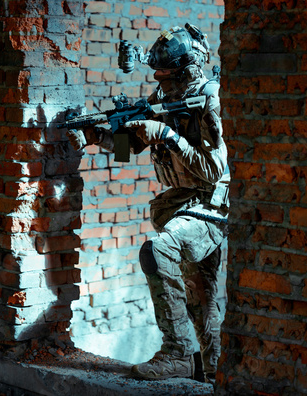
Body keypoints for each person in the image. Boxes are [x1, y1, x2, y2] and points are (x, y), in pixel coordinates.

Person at [67, 25, 230, 384]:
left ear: (187, 70)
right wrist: (96, 136)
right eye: (158, 76)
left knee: (157, 251)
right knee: (200, 298)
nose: (162, 83)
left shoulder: (209, 98)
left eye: (167, 76)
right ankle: (215, 374)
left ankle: (176, 355)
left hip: (209, 205)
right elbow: (131, 148)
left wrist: (166, 135)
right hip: (179, 203)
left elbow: (214, 170)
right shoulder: (166, 98)